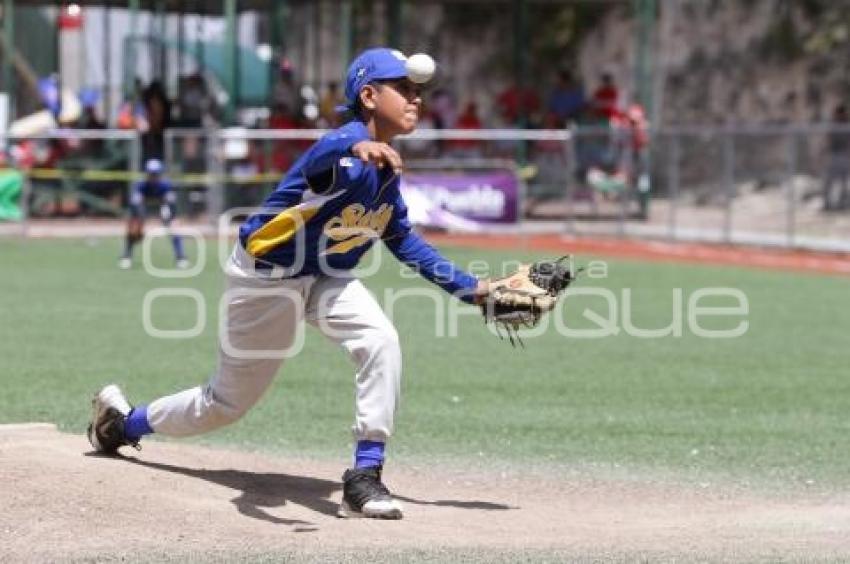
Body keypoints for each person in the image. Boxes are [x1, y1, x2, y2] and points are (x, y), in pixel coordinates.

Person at [88, 48, 490, 520]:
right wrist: (353, 145)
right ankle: (121, 423)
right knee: (225, 404)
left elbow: (403, 241)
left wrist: (473, 290)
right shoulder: (344, 149)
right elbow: (324, 156)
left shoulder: (383, 173)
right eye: (402, 88)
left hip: (324, 275)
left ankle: (364, 476)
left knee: (381, 339)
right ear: (367, 94)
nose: (414, 99)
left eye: (417, 91)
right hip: (265, 279)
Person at [118, 158, 187, 270]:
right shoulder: (141, 186)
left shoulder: (165, 186)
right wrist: (139, 221)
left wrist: (171, 217)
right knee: (133, 229)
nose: (153, 177)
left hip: (161, 207)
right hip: (143, 208)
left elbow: (171, 204)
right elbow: (135, 205)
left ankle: (181, 257)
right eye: (151, 174)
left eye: (156, 174)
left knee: (175, 228)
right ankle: (126, 256)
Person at [822, 104, 850, 211]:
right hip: (834, 155)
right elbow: (827, 140)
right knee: (828, 182)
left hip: (844, 156)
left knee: (844, 183)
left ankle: (842, 204)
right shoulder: (833, 125)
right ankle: (827, 204)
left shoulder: (846, 124)